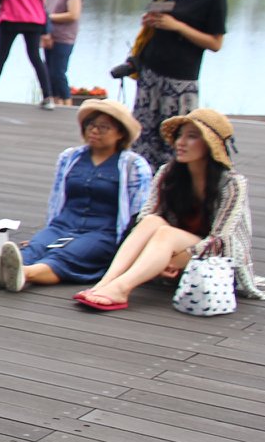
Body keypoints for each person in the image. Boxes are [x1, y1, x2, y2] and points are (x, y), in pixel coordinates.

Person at [75, 108, 255, 311]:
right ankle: (105, 283)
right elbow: (147, 215)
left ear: (209, 144)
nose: (180, 142)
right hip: (168, 254)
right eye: (179, 136)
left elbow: (220, 240)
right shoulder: (168, 172)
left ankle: (121, 289)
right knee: (152, 221)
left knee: (166, 233)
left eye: (192, 137)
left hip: (213, 262)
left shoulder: (232, 183)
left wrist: (178, 258)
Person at [0, 99, 151, 293]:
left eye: (104, 127)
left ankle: (22, 273)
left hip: (103, 232)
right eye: (91, 125)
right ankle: (7, 271)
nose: (94, 131)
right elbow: (56, 199)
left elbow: (139, 211)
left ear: (120, 133)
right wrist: (47, 228)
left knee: (65, 255)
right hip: (63, 224)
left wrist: (131, 248)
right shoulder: (70, 157)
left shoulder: (133, 165)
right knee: (36, 247)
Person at [129, 0, 227, 170]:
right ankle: (141, 187)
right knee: (141, 141)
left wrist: (178, 26)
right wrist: (150, 21)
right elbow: (153, 21)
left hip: (180, 81)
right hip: (150, 75)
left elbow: (215, 43)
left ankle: (171, 187)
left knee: (175, 144)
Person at [41, 0, 83, 106]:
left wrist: (47, 17)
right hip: (50, 36)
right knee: (49, 72)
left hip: (64, 37)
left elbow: (73, 14)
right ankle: (55, 102)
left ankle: (67, 104)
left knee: (58, 73)